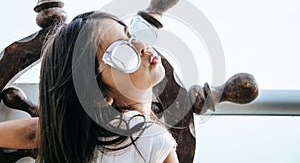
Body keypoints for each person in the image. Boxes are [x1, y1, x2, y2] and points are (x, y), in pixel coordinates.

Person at [0, 11, 179, 163]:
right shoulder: (152, 137)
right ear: (97, 95)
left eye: (131, 36)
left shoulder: (74, 136)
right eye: (121, 51)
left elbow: (32, 133)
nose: (140, 46)